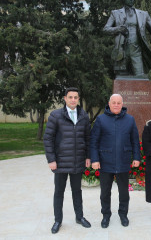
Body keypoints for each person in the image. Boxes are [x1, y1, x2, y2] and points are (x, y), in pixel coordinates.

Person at [43, 87, 91, 234]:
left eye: (76, 97)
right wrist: (51, 159)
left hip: (78, 161)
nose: (73, 100)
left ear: (78, 99)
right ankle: (58, 220)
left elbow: (88, 139)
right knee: (59, 192)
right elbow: (48, 138)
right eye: (70, 97)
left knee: (77, 191)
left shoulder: (83, 116)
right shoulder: (56, 115)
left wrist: (88, 156)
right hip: (61, 161)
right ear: (65, 98)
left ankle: (79, 217)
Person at [90, 94, 140, 228]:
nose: (116, 105)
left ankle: (123, 214)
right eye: (114, 102)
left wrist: (136, 157)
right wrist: (94, 159)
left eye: (119, 102)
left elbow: (135, 140)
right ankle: (106, 215)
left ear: (122, 104)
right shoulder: (101, 119)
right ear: (109, 103)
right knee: (105, 192)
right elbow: (94, 141)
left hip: (123, 161)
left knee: (124, 192)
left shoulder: (130, 119)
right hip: (105, 162)